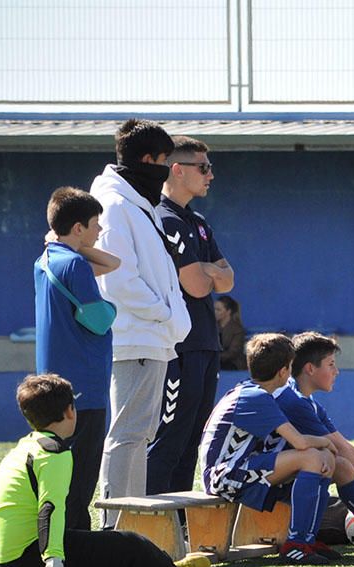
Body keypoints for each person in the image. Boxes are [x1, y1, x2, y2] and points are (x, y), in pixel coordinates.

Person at [0, 374, 209, 567]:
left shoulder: (24, 447)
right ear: (69, 411)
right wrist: (53, 564)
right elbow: (50, 509)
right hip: (28, 558)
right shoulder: (54, 453)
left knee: (93, 545)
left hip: (4, 561)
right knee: (130, 544)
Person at [90, 118, 191, 529]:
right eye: (165, 161)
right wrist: (166, 314)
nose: (167, 171)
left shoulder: (134, 202)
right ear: (148, 160)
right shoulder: (114, 205)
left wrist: (166, 319)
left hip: (150, 338)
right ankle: (116, 526)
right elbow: (118, 279)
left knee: (138, 435)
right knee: (128, 434)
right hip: (136, 338)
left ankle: (129, 524)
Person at [199, 334, 338, 565]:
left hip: (239, 469)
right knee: (313, 458)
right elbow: (301, 443)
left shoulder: (256, 392)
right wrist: (325, 442)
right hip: (223, 476)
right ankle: (295, 544)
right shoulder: (255, 397)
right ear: (283, 371)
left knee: (322, 461)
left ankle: (307, 540)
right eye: (291, 367)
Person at [147, 136, 235, 497]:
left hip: (206, 344)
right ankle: (148, 522)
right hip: (178, 348)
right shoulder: (163, 218)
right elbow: (199, 286)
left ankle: (178, 525)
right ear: (177, 170)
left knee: (192, 439)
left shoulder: (198, 221)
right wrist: (207, 269)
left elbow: (227, 280)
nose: (210, 175)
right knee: (170, 437)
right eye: (203, 168)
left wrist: (206, 269)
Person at [34, 187, 120, 530]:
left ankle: (50, 540)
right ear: (79, 227)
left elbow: (113, 263)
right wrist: (112, 308)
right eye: (95, 224)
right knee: (81, 477)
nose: (99, 231)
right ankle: (76, 546)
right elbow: (100, 319)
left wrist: (71, 241)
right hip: (83, 386)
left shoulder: (44, 260)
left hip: (51, 384)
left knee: (55, 474)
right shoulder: (74, 264)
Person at [275, 332, 354, 546]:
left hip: (286, 472)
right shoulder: (294, 401)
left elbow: (345, 445)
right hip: (267, 478)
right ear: (310, 368)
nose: (336, 371)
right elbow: (339, 449)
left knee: (340, 463)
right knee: (337, 462)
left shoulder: (308, 401)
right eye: (331, 364)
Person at [216, 295, 246, 370]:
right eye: (214, 309)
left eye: (218, 310)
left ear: (228, 311)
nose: (215, 312)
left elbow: (233, 352)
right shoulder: (213, 326)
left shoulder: (237, 329)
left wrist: (215, 357)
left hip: (233, 363)